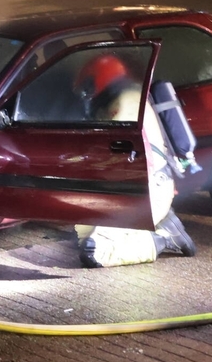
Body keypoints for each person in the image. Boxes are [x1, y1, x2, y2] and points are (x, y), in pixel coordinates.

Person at [71, 54, 196, 268]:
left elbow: (119, 155)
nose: (88, 95)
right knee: (82, 235)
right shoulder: (129, 97)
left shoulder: (126, 103)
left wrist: (78, 162)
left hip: (147, 192)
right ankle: (163, 222)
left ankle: (163, 238)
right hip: (143, 187)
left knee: (94, 252)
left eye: (88, 87)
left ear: (99, 80)